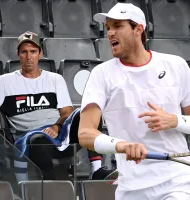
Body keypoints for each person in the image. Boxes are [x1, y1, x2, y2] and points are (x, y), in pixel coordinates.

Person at [78, 3, 190, 200]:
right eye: (108, 28)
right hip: (130, 186)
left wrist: (175, 121)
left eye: (118, 26)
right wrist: (120, 145)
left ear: (139, 29)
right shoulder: (101, 74)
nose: (110, 33)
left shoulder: (176, 66)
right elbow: (85, 133)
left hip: (177, 181)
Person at [0, 31, 116, 180]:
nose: (29, 57)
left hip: (60, 136)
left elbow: (67, 112)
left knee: (91, 112)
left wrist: (56, 127)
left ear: (40, 54)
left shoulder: (55, 79)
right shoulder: (3, 82)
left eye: (33, 51)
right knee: (39, 141)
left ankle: (96, 171)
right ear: (18, 54)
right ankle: (51, 186)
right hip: (31, 140)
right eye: (24, 52)